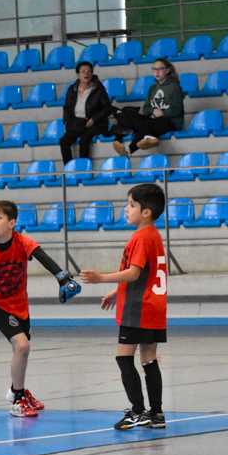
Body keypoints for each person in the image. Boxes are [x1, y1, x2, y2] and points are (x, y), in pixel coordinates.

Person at [0, 200, 81, 417]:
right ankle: (18, 400)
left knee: (22, 351)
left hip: (20, 304)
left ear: (12, 223)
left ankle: (16, 390)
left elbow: (42, 256)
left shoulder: (22, 242)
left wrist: (62, 278)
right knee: (22, 346)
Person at [80, 184, 168, 430]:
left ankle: (137, 411)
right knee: (149, 359)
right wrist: (117, 292)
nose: (126, 209)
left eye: (131, 205)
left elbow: (133, 273)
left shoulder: (141, 237)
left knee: (124, 357)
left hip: (138, 309)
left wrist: (101, 278)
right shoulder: (154, 235)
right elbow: (147, 275)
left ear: (146, 212)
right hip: (154, 308)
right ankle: (156, 413)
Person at [111, 58, 184, 156]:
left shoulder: (174, 87)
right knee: (126, 113)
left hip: (169, 122)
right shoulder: (152, 88)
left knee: (146, 124)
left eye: (160, 69)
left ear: (167, 70)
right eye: (154, 69)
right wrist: (153, 111)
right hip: (153, 119)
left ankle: (130, 149)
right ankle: (122, 141)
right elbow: (146, 109)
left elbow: (178, 109)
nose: (157, 72)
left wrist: (163, 113)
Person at [59, 61, 112, 164]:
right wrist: (67, 121)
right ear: (78, 74)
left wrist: (94, 119)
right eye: (83, 71)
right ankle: (69, 168)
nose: (86, 74)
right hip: (77, 123)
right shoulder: (72, 89)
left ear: (92, 73)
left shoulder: (98, 89)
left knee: (84, 140)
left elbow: (107, 108)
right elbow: (67, 107)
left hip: (94, 123)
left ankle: (83, 169)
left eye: (89, 71)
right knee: (63, 141)